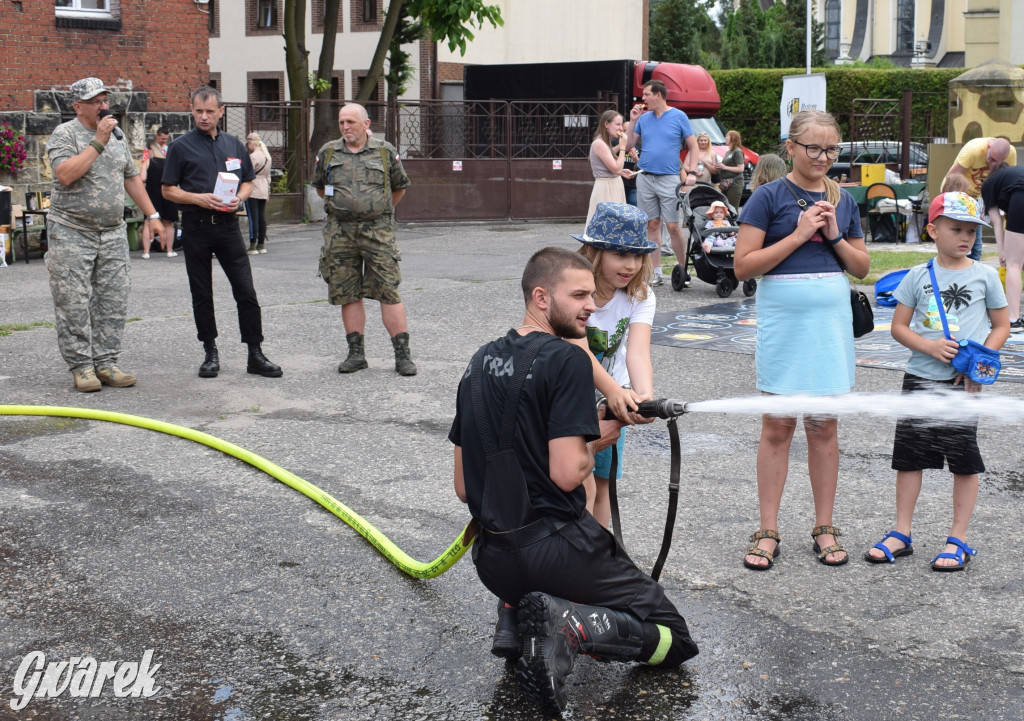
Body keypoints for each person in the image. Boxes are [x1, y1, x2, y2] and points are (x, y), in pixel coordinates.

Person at [449, 246, 698, 714]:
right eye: (580, 295)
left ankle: (520, 621)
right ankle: (573, 627)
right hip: (559, 551)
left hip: (495, 562)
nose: (592, 306)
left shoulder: (476, 363)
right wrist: (596, 442)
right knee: (675, 639)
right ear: (541, 298)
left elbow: (465, 486)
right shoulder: (567, 360)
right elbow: (567, 474)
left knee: (541, 579)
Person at [734, 109, 870, 570]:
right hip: (784, 328)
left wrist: (832, 234)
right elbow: (743, 266)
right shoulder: (767, 198)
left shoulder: (844, 200)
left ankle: (824, 527)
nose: (822, 157)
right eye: (813, 147)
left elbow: (862, 267)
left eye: (831, 149)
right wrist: (798, 234)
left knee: (824, 426)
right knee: (777, 427)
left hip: (830, 329)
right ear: (790, 147)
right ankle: (767, 528)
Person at [864, 192, 1009, 570]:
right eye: (956, 229)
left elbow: (1002, 325)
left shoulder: (985, 275)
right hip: (919, 379)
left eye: (972, 231)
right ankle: (901, 532)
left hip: (963, 386)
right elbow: (898, 327)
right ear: (932, 230)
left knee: (964, 461)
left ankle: (957, 538)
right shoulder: (917, 275)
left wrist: (981, 361)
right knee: (909, 458)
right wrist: (928, 348)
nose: (966, 237)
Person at [45, 77, 163, 392]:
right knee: (73, 302)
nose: (103, 106)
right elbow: (65, 175)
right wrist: (97, 142)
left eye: (104, 99)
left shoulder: (117, 138)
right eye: (96, 101)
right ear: (78, 106)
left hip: (112, 233)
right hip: (72, 231)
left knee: (113, 299)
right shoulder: (65, 134)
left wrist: (152, 215)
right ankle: (82, 367)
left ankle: (107, 363)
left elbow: (132, 178)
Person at [162, 86, 282, 380]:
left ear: (221, 112)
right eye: (198, 111)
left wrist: (240, 199)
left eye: (210, 112)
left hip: (228, 227)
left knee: (246, 291)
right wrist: (197, 198)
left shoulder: (234, 144)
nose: (204, 117)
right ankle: (210, 352)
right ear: (191, 110)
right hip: (197, 227)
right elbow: (167, 190)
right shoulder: (180, 146)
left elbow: (248, 182)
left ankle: (255, 353)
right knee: (202, 293)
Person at [312, 103, 415, 376]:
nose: (346, 127)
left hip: (377, 231)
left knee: (388, 290)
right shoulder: (329, 152)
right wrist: (346, 207)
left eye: (351, 122)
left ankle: (402, 356)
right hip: (340, 233)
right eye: (342, 122)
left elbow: (399, 188)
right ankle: (356, 354)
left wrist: (374, 209)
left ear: (366, 124)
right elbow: (322, 188)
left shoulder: (384, 151)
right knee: (348, 292)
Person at [571, 202, 657, 528]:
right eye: (621, 255)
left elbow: (637, 352)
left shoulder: (640, 296)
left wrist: (644, 398)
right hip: (572, 397)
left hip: (612, 397)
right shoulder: (576, 292)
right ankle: (575, 558)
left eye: (638, 256)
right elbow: (578, 350)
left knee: (604, 482)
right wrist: (616, 395)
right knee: (581, 480)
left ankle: (599, 556)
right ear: (594, 251)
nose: (631, 265)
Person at [624, 79, 700, 286]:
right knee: (652, 224)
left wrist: (691, 171)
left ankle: (683, 271)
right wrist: (632, 122)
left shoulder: (678, 116)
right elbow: (629, 145)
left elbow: (694, 147)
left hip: (669, 178)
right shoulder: (644, 118)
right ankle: (655, 272)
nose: (643, 99)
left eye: (646, 95)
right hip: (646, 177)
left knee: (673, 226)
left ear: (658, 95)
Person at [941, 136, 1017, 260]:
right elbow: (951, 178)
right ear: (989, 147)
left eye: (997, 162)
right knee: (959, 235)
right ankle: (954, 263)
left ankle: (974, 266)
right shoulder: (973, 150)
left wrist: (994, 206)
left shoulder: (1010, 152)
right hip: (958, 193)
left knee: (975, 240)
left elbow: (1005, 181)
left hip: (980, 195)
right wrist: (952, 203)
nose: (992, 164)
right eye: (991, 158)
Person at [981, 163, 1024, 333]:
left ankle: (1013, 319)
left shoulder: (989, 184)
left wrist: (1003, 252)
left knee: (1013, 264)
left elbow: (997, 221)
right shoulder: (1012, 176)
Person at [585, 110, 632, 225]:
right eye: (617, 124)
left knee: (614, 225)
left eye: (621, 124)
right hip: (606, 188)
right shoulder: (599, 144)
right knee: (605, 226)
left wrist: (621, 172)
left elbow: (613, 166)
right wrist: (622, 147)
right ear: (606, 124)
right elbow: (615, 168)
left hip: (612, 185)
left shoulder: (605, 143)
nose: (621, 128)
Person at [140, 127, 178, 259]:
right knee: (166, 222)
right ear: (157, 136)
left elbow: (143, 177)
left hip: (153, 190)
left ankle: (147, 252)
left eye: (166, 139)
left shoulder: (148, 154)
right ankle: (168, 250)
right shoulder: (169, 152)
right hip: (167, 189)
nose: (164, 141)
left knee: (150, 220)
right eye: (162, 138)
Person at [245, 132, 271, 255]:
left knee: (253, 217)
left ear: (251, 143)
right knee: (261, 217)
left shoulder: (253, 157)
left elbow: (247, 173)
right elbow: (268, 176)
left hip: (253, 189)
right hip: (263, 188)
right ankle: (262, 244)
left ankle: (252, 245)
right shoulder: (267, 157)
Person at [718, 129, 746, 210]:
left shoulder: (738, 151)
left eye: (727, 136)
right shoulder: (729, 151)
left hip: (735, 183)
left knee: (732, 208)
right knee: (725, 208)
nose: (725, 138)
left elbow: (741, 169)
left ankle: (733, 222)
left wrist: (724, 167)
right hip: (726, 183)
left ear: (732, 138)